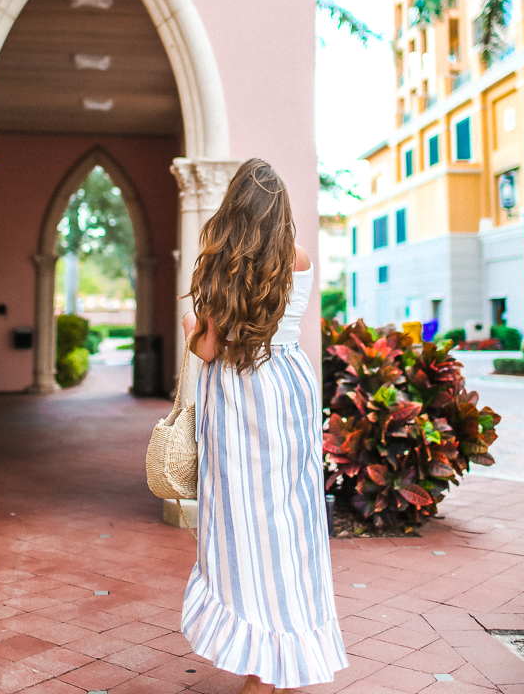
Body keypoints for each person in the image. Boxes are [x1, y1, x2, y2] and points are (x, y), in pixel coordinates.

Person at [180, 159, 348, 694]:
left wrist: (190, 323)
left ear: (233, 208)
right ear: (280, 214)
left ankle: (260, 660)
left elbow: (209, 348)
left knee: (242, 527)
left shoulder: (218, 267)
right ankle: (285, 649)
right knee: (290, 523)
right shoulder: (297, 260)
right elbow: (285, 326)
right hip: (288, 395)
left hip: (237, 397)